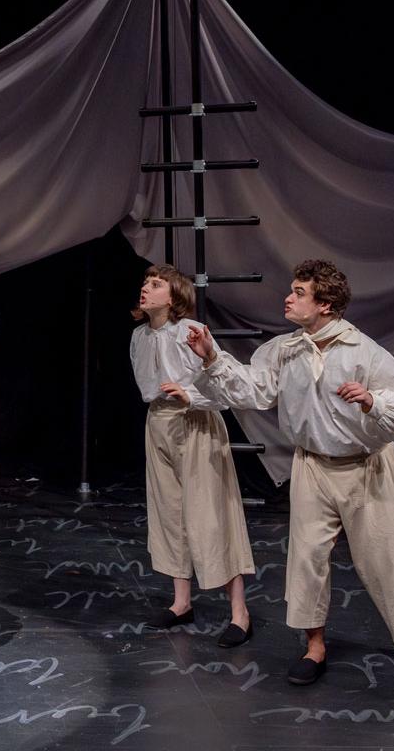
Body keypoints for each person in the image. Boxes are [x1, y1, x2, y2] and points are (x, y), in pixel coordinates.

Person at [189, 260, 394, 685]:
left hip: (367, 467)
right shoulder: (285, 349)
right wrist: (212, 358)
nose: (288, 298)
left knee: (390, 558)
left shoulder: (364, 352)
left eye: (298, 292)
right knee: (307, 559)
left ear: (325, 304)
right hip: (312, 465)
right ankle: (314, 646)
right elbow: (253, 390)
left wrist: (373, 401)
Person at [130, 263, 255, 646]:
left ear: (174, 296)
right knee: (169, 511)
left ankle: (239, 612)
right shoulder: (138, 336)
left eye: (155, 285)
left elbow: (223, 389)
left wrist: (191, 396)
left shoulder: (190, 332)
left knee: (213, 514)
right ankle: (181, 602)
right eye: (145, 283)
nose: (145, 289)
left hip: (197, 421)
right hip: (160, 423)